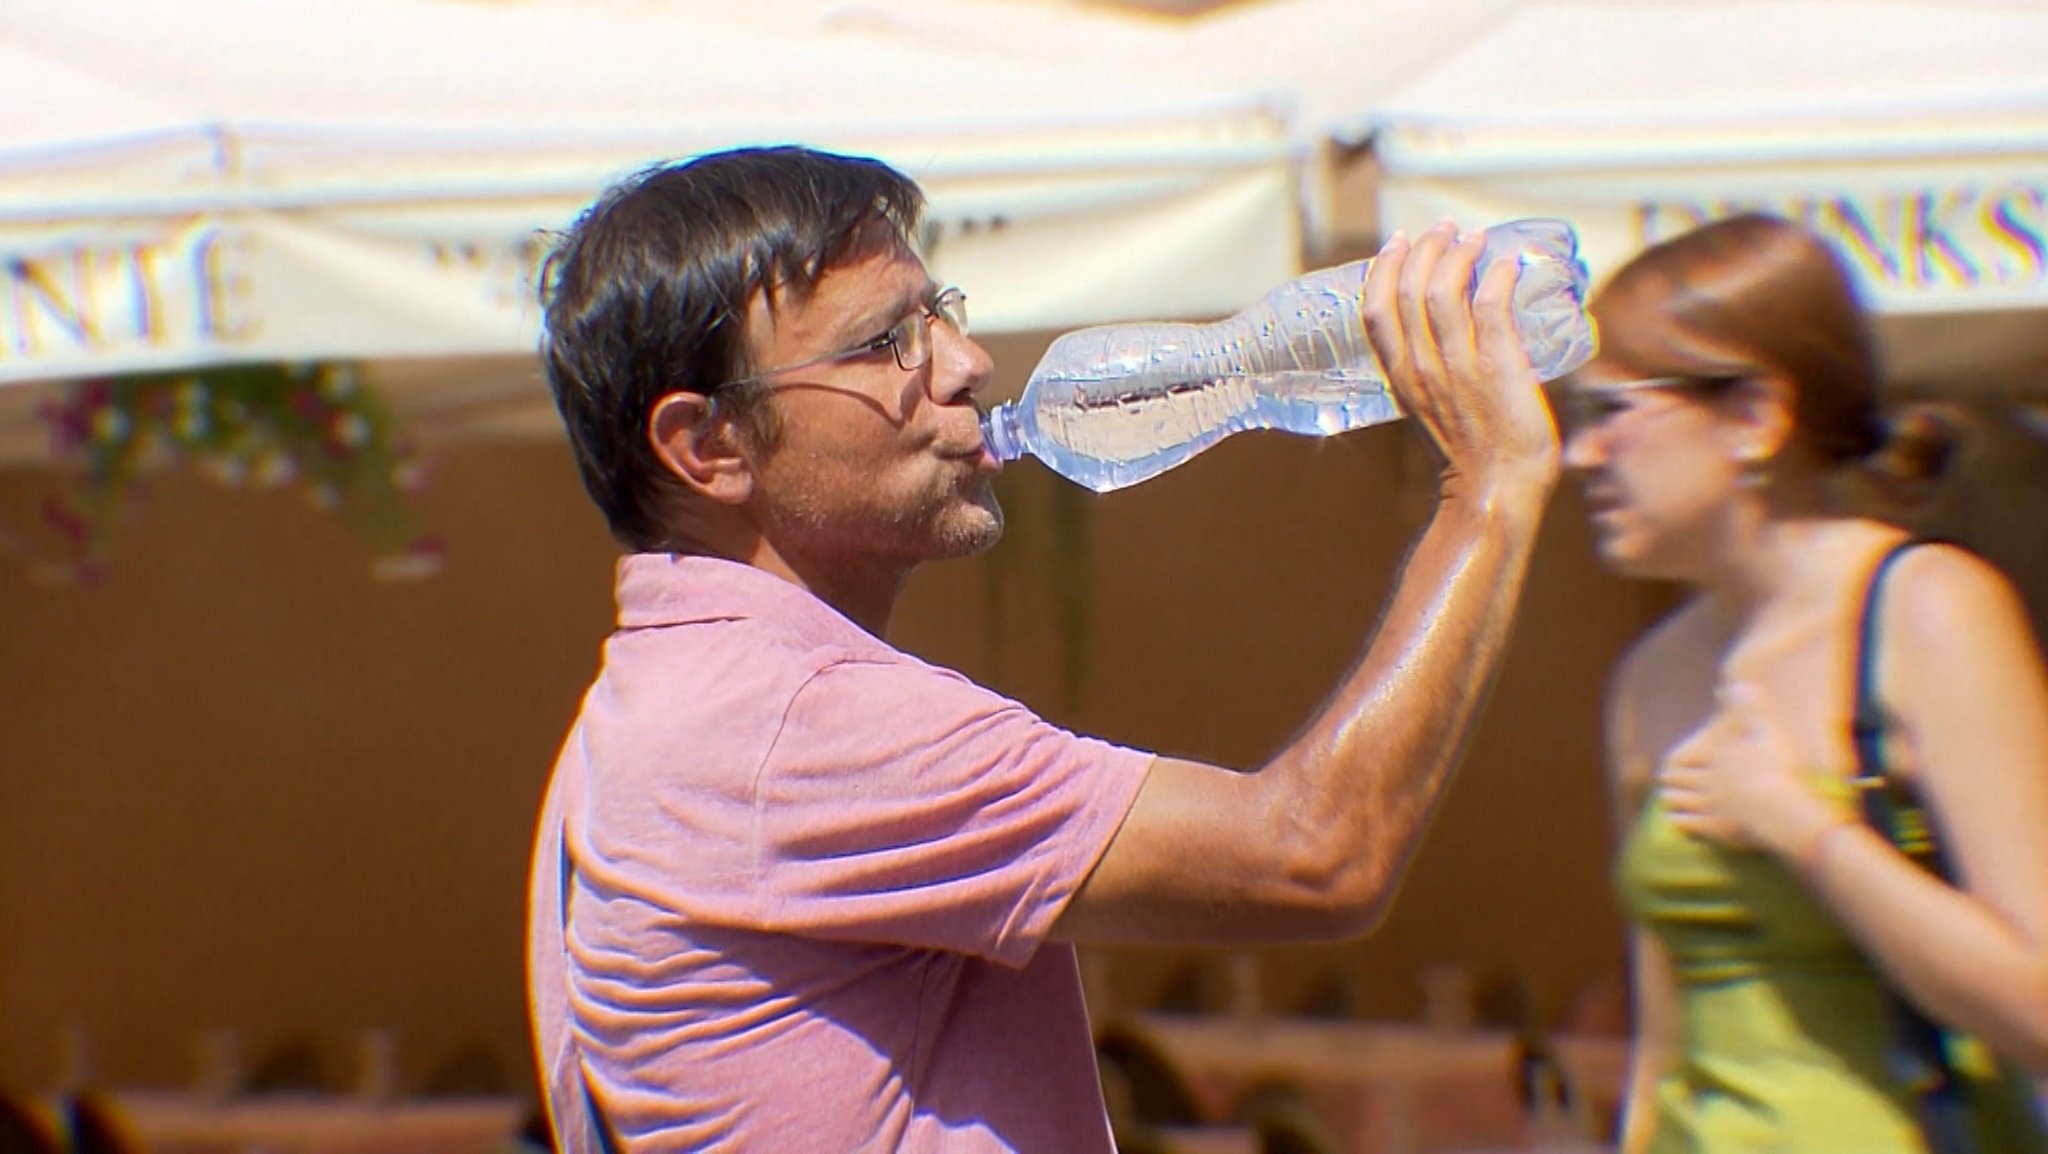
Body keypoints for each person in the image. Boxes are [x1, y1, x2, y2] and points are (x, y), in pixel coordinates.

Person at [527, 144, 1561, 1152]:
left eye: (941, 313)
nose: (966, 363)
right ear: (706, 445)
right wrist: (1488, 489)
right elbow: (1316, 850)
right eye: (886, 341)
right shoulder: (802, 723)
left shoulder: (625, 720)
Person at [1562, 212, 2048, 1153]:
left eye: (1611, 413)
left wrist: (1803, 826)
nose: (1581, 455)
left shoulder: (1927, 613)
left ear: (1754, 417)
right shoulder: (1650, 681)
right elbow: (1659, 1049)